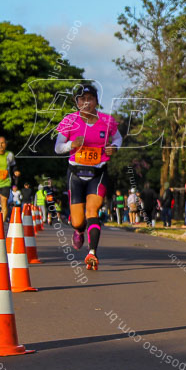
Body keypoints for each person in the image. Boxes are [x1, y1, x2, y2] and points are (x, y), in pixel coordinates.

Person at [54, 84, 121, 270]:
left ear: (96, 101)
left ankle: (92, 253)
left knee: (93, 209)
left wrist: (114, 147)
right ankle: (79, 229)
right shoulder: (69, 121)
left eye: (90, 99)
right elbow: (58, 147)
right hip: (75, 173)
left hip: (97, 173)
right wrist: (71, 145)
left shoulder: (107, 121)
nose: (86, 102)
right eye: (82, 99)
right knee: (77, 220)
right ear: (77, 102)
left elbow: (118, 138)